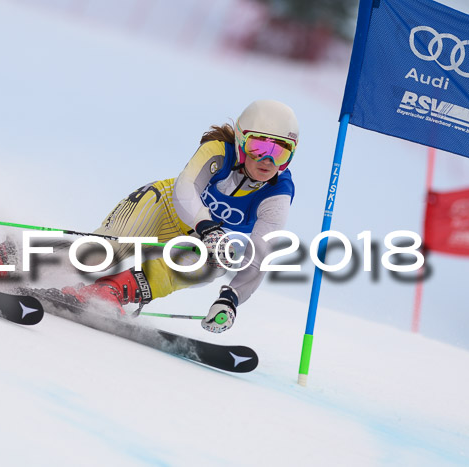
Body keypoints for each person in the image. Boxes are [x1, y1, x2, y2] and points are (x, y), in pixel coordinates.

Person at [61, 99, 299, 333]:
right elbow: (185, 189)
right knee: (99, 254)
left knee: (221, 258)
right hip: (163, 207)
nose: (268, 161)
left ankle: (110, 291)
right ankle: (36, 266)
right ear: (239, 141)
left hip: (198, 239)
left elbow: (260, 253)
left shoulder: (277, 194)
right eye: (258, 148)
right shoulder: (218, 152)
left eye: (280, 152)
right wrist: (207, 227)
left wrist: (231, 298)